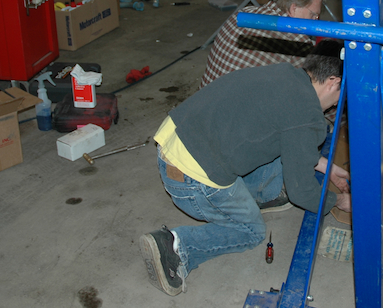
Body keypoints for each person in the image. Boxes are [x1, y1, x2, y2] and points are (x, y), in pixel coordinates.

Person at [140, 40, 351, 296]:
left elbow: (293, 136)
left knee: (280, 139)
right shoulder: (306, 115)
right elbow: (302, 193)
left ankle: (262, 195)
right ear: (333, 82)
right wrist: (339, 201)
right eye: (339, 97)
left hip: (175, 140)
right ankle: (175, 246)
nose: (335, 105)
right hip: (192, 178)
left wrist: (326, 166)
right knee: (252, 231)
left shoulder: (285, 74)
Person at [200, 0, 323, 88]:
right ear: (294, 9)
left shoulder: (244, 12)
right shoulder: (298, 41)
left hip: (201, 100)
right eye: (313, 15)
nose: (315, 21)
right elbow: (316, 88)